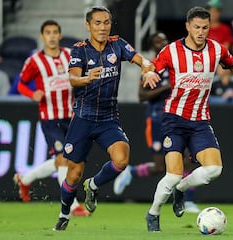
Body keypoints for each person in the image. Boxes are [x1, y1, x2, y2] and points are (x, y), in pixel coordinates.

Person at [142, 6, 233, 232]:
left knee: (214, 170)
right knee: (172, 173)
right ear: (187, 26)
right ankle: (153, 213)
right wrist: (147, 71)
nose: (200, 32)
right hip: (174, 119)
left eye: (205, 28)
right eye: (196, 27)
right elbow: (151, 65)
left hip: (199, 121)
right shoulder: (171, 51)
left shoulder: (216, 50)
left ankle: (182, 189)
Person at [53, 6, 156, 231]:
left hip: (108, 118)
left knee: (121, 159)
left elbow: (141, 59)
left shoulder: (117, 44)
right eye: (97, 23)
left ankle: (94, 184)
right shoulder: (79, 50)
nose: (102, 27)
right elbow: (72, 79)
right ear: (88, 25)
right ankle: (64, 213)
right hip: (83, 117)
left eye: (106, 22)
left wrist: (147, 69)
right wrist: (86, 78)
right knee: (74, 172)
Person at [113, 32, 200, 213]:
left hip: (179, 117)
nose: (162, 43)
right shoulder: (152, 67)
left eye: (165, 40)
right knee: (161, 166)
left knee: (188, 160)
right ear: (152, 47)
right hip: (157, 118)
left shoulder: (178, 63)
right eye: (158, 41)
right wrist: (167, 87)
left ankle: (187, 200)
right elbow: (142, 95)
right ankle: (132, 172)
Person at [13, 20, 90, 217]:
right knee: (63, 159)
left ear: (60, 35)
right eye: (48, 32)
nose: (52, 36)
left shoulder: (69, 55)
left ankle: (25, 179)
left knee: (66, 160)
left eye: (55, 32)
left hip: (71, 115)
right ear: (42, 36)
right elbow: (21, 84)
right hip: (50, 118)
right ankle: (72, 206)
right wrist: (32, 94)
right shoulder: (34, 61)